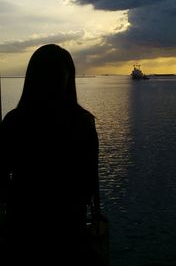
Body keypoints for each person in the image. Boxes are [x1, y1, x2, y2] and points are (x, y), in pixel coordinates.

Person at [0, 44, 101, 265]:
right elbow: (89, 183)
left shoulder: (15, 121)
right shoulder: (81, 122)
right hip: (68, 232)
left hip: (23, 230)